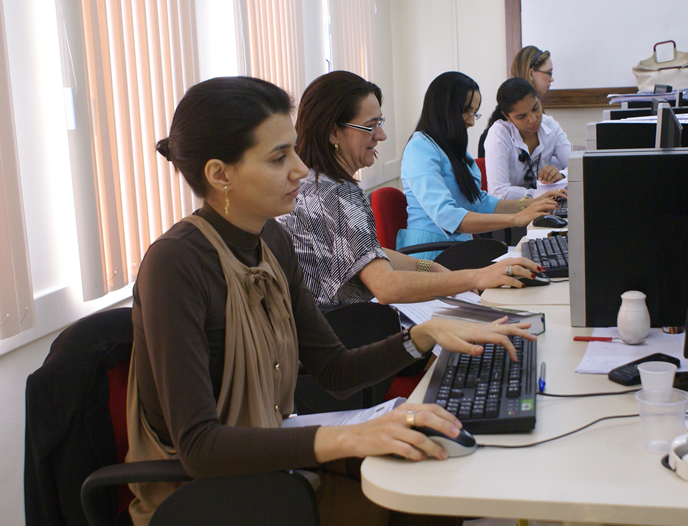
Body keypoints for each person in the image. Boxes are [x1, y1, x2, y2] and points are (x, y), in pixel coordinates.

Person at [127, 76, 537, 526]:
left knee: (431, 468)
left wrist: (422, 335)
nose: (300, 170)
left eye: (294, 151)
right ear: (220, 174)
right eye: (279, 157)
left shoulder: (272, 241)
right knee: (422, 493)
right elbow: (200, 448)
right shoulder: (175, 264)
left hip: (270, 466)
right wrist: (353, 438)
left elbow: (335, 371)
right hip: (207, 496)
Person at [277, 71, 544, 308]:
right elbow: (385, 286)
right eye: (370, 126)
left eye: (380, 123)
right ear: (333, 133)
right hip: (346, 330)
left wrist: (431, 267)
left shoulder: (311, 185)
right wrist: (476, 276)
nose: (381, 135)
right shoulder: (340, 195)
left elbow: (365, 253)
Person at [397, 71, 566, 259]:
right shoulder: (419, 148)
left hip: (457, 248)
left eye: (474, 113)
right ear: (445, 109)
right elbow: (446, 216)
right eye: (467, 112)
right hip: (429, 254)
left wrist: (529, 203)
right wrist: (517, 218)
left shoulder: (450, 148)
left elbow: (479, 202)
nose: (471, 121)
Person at [483, 77, 570, 200]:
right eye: (521, 116)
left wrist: (561, 175)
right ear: (507, 116)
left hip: (548, 202)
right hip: (514, 209)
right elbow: (499, 193)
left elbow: (578, 166)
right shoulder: (499, 134)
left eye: (535, 108)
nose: (533, 119)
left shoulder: (550, 124)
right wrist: (540, 194)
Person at [478, 45, 558, 158]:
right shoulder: (499, 131)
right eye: (549, 73)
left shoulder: (547, 122)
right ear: (531, 73)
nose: (551, 79)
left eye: (535, 108)